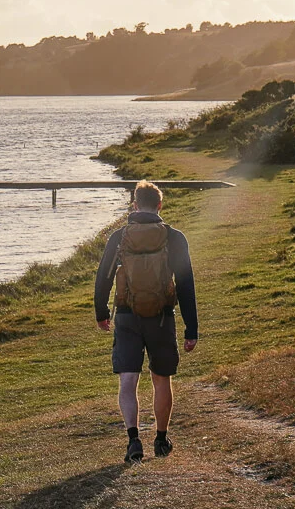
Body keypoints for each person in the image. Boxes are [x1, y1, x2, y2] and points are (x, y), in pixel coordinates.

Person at [93, 180, 197, 463]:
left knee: (128, 380)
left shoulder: (120, 236)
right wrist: (192, 328)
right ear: (160, 206)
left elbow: (103, 276)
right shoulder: (175, 237)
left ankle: (133, 439)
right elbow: (186, 284)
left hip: (127, 315)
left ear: (135, 205)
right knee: (161, 379)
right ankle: (161, 440)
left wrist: (101, 312)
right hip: (162, 318)